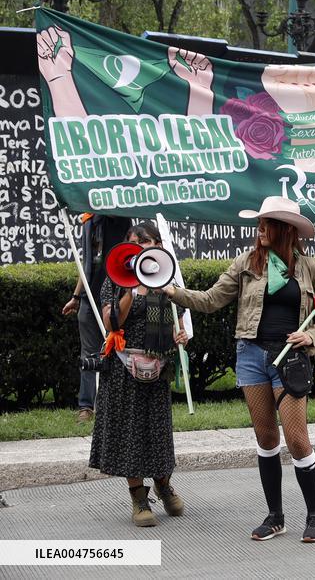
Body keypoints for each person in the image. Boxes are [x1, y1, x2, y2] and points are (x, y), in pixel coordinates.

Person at [165, 197, 315, 543]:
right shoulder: (246, 263)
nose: (259, 230)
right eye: (259, 223)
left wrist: (310, 335)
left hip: (291, 359)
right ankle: (275, 517)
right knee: (267, 439)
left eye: (266, 223)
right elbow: (210, 300)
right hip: (251, 355)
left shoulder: (311, 269)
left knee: (298, 441)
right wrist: (170, 290)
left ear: (285, 229)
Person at [89, 221, 188, 527]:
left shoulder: (167, 278)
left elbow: (177, 322)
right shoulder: (116, 280)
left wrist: (179, 334)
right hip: (123, 369)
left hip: (157, 369)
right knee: (129, 432)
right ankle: (138, 496)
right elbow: (111, 323)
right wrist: (131, 289)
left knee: (157, 432)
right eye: (134, 244)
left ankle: (163, 483)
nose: (141, 249)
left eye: (145, 243)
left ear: (158, 245)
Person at [62, 214, 131, 424]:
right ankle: (86, 406)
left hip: (114, 297)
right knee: (89, 354)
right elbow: (87, 264)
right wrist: (76, 296)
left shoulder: (116, 218)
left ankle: (117, 404)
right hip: (88, 299)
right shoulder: (88, 222)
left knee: (119, 351)